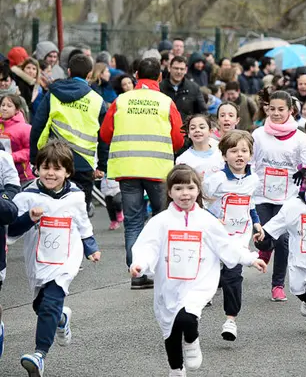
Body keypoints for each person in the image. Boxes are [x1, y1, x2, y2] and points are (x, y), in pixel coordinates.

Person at [129, 164, 267, 377]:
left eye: (190, 188)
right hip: (169, 283)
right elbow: (148, 246)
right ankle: (175, 369)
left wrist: (250, 259)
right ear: (169, 192)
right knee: (171, 330)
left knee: (187, 318)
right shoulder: (160, 221)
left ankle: (192, 340)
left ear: (198, 191)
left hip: (199, 282)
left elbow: (226, 245)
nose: (185, 194)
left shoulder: (206, 221)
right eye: (178, 189)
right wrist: (140, 264)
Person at [8, 141, 100, 376]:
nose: (51, 173)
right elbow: (12, 231)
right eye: (45, 167)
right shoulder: (27, 196)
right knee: (42, 306)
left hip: (67, 258)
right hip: (38, 260)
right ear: (36, 168)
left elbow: (82, 223)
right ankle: (61, 317)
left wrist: (91, 247)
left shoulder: (76, 196)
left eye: (57, 168)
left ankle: (39, 355)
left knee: (50, 302)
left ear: (67, 172)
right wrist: (29, 217)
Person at [100, 58, 185, 290]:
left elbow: (106, 134)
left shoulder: (121, 100)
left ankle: (136, 273)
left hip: (127, 169)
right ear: (160, 76)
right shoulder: (166, 101)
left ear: (136, 75)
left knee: (133, 222)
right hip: (158, 169)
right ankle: (163, 270)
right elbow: (178, 138)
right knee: (163, 218)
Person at [255, 158, 306, 334]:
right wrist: (264, 235)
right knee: (297, 288)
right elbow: (278, 222)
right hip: (299, 258)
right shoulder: (295, 205)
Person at [251, 90, 306, 301]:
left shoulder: (301, 138)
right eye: (272, 109)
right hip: (261, 194)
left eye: (281, 109)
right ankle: (265, 249)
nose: (276, 113)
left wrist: (305, 169)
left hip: (288, 196)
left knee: (283, 239)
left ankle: (277, 285)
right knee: (262, 237)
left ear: (291, 110)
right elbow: (250, 162)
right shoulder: (258, 134)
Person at [202, 130, 263, 342]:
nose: (239, 155)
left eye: (244, 151)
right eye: (234, 151)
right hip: (214, 236)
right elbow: (203, 203)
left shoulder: (253, 179)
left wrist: (256, 223)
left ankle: (230, 319)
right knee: (207, 273)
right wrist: (211, 218)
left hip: (238, 238)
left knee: (233, 275)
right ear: (224, 155)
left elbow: (251, 203)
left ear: (250, 154)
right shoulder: (216, 179)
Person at [30, 54, 108, 216]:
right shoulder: (97, 101)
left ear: (69, 71)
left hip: (54, 160)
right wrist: (102, 165)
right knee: (80, 217)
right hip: (83, 164)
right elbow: (104, 136)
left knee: (52, 212)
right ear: (89, 75)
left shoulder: (53, 94)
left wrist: (34, 158)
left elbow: (38, 125)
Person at [175, 114, 224, 186]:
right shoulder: (183, 160)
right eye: (192, 128)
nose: (197, 130)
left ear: (210, 131)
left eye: (201, 127)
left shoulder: (222, 153)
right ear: (188, 133)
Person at [160, 56, 206, 122]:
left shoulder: (194, 88)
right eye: (176, 68)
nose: (179, 71)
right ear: (169, 68)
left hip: (186, 128)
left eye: (182, 69)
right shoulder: (160, 87)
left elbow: (203, 112)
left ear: (186, 70)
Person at [0, 94, 34, 184]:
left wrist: (10, 157)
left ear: (17, 110)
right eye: (2, 105)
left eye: (9, 106)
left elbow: (30, 150)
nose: (4, 108)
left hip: (23, 177)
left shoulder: (25, 128)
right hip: (2, 176)